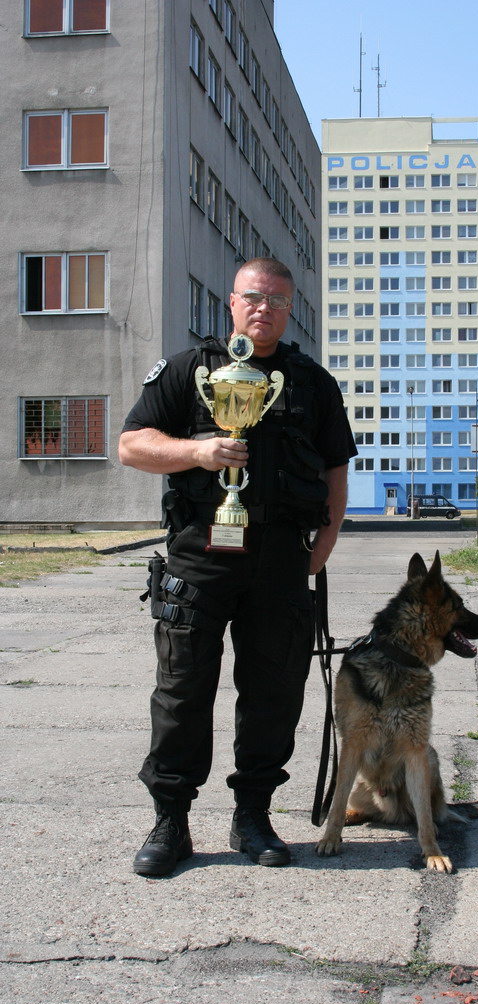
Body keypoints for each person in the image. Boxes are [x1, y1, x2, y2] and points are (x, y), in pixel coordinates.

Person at [119, 258, 356, 876]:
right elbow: (132, 444)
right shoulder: (189, 371)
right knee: (182, 688)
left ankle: (253, 814)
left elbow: (336, 466)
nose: (264, 309)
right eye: (254, 297)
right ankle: (171, 820)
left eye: (277, 301)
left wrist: (323, 544)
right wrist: (197, 451)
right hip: (200, 554)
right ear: (231, 302)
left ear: (289, 308)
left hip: (281, 557)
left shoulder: (310, 382)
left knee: (275, 692)